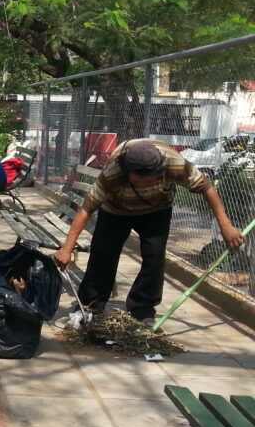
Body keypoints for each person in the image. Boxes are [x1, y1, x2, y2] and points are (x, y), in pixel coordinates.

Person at [54, 138, 244, 325]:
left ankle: (142, 309)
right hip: (116, 210)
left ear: (159, 170)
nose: (144, 185)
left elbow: (207, 188)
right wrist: (67, 248)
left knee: (154, 257)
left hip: (157, 210)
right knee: (103, 253)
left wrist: (225, 225)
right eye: (138, 182)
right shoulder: (113, 173)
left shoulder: (175, 165)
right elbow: (86, 209)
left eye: (149, 180)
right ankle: (91, 305)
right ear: (127, 173)